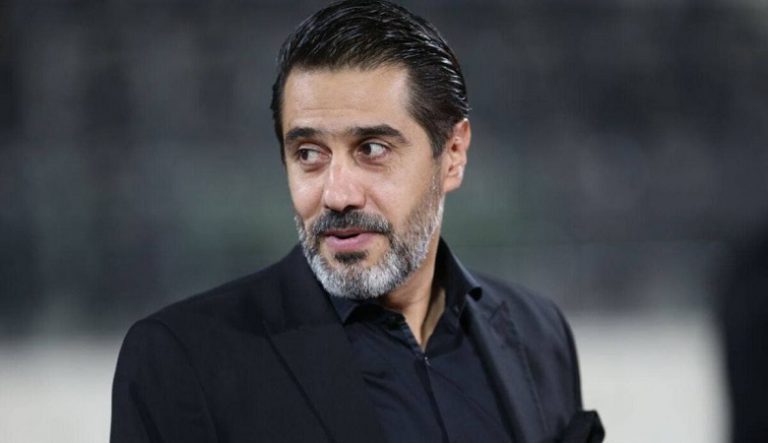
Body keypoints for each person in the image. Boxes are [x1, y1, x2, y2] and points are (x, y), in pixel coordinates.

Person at [110, 1, 603, 442]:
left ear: (452, 154)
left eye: (372, 149)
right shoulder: (181, 361)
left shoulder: (538, 334)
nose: (337, 195)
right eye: (309, 153)